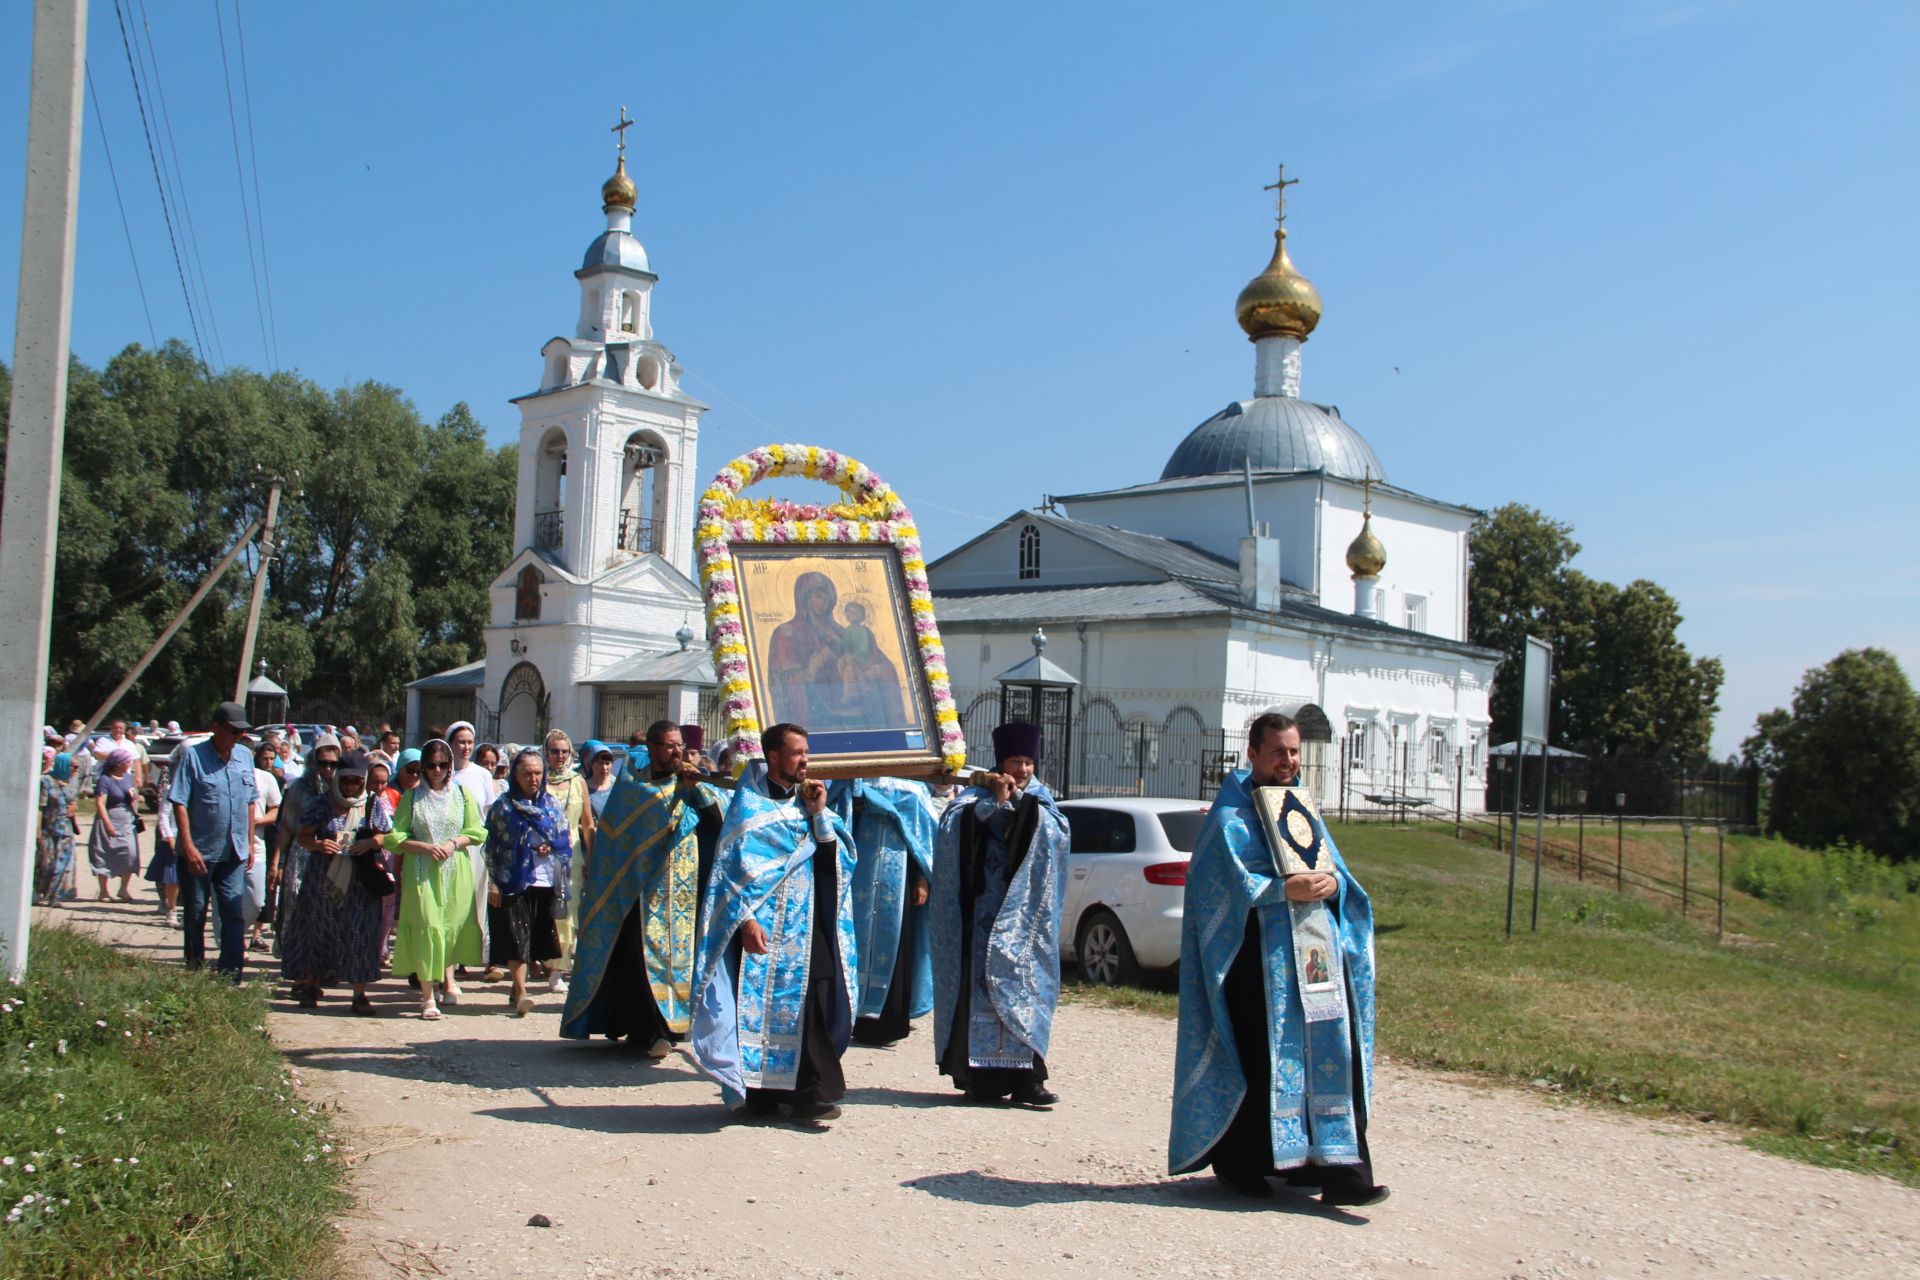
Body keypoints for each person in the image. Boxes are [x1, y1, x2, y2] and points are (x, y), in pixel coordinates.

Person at [1168, 712, 1387, 1207]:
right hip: (1256, 964)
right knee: (1263, 1061)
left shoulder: (1302, 806)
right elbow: (1212, 887)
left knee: (1335, 1051)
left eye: (1293, 751)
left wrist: (1334, 885)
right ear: (1253, 754)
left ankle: (1341, 1171)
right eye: (1278, 752)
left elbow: (1332, 868)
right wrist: (1278, 890)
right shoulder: (1230, 818)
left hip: (1316, 957)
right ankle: (1245, 1166)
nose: (1288, 761)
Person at [690, 723, 857, 1123]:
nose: (805, 761)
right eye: (797, 753)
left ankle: (807, 1094)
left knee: (810, 1005)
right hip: (761, 932)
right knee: (758, 1010)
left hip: (806, 925)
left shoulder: (810, 802)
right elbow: (727, 872)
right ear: (774, 757)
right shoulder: (748, 808)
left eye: (806, 752)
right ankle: (761, 1095)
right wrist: (745, 921)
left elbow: (836, 862)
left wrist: (818, 814)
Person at [562, 721, 724, 1056]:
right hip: (637, 889)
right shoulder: (634, 785)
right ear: (651, 748)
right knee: (642, 958)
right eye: (668, 746)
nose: (677, 752)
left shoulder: (692, 783)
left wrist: (697, 790)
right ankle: (647, 1029)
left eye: (679, 745)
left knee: (677, 958)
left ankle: (670, 1026)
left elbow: (716, 826)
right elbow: (636, 825)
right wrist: (679, 790)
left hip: (680, 891)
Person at [931, 722, 1069, 1107]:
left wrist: (1018, 806)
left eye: (1028, 762)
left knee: (1027, 989)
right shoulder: (974, 795)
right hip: (981, 918)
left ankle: (1028, 1080)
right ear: (1000, 761)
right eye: (1015, 761)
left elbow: (1056, 838)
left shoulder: (1042, 800)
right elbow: (952, 832)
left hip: (1025, 922)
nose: (1023, 769)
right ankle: (980, 1078)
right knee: (981, 990)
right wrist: (992, 804)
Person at [284, 749, 392, 1014]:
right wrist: (319, 844)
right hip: (323, 878)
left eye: (356, 781)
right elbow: (303, 835)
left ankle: (359, 994)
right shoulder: (321, 804)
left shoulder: (372, 804)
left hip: (360, 882)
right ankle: (311, 984)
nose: (350, 786)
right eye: (345, 781)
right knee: (317, 932)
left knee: (361, 934)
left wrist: (369, 842)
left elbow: (386, 835)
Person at [386, 738, 486, 1019]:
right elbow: (396, 837)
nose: (438, 770)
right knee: (426, 925)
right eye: (431, 765)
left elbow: (477, 831)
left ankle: (449, 979)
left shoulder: (462, 794)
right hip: (422, 870)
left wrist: (454, 843)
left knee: (450, 925)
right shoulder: (412, 796)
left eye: (443, 764)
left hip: (455, 868)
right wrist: (425, 847)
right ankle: (427, 995)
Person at [837, 775, 939, 1047]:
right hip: (858, 876)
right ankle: (848, 1017)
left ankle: (887, 1023)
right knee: (852, 944)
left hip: (899, 882)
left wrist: (921, 879)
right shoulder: (851, 783)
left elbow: (924, 840)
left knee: (896, 946)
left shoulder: (913, 790)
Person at [170, 703, 259, 976]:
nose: (237, 737)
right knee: (196, 912)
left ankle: (231, 972)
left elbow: (251, 802)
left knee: (234, 911)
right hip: (200, 850)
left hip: (234, 850)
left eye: (241, 733)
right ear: (216, 727)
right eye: (232, 731)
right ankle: (194, 969)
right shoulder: (192, 756)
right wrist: (187, 844)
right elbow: (179, 801)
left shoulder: (244, 756)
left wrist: (251, 842)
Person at [484, 748, 572, 1016]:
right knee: (515, 934)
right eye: (527, 773)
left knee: (533, 935)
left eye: (537, 773)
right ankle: (521, 990)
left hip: (544, 880)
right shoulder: (504, 807)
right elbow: (493, 847)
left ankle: (517, 987)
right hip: (511, 879)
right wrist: (494, 882)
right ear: (515, 775)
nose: (533, 779)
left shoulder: (552, 805)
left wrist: (550, 846)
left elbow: (564, 840)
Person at [268, 734, 341, 960]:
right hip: (302, 855)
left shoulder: (345, 788)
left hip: (333, 857)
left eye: (333, 764)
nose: (328, 769)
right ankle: (294, 959)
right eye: (323, 763)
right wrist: (277, 863)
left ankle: (324, 961)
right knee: (296, 905)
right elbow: (287, 828)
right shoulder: (299, 788)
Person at [541, 730, 595, 995]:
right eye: (554, 751)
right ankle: (541, 958)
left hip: (570, 853)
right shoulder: (538, 779)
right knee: (542, 910)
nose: (560, 756)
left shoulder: (577, 781)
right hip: (540, 854)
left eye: (564, 751)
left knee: (567, 912)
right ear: (546, 752)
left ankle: (557, 970)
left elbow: (587, 823)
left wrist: (591, 857)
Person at [88, 747, 144, 902]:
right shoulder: (105, 780)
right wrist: (108, 825)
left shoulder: (128, 777)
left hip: (127, 820)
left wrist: (137, 798)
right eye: (127, 761)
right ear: (118, 764)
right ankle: (104, 891)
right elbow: (100, 804)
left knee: (130, 853)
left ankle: (123, 889)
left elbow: (132, 793)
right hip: (109, 819)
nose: (130, 763)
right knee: (103, 853)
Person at [246, 738, 283, 953]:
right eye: (265, 758)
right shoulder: (251, 776)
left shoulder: (273, 779)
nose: (268, 762)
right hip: (250, 836)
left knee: (264, 892)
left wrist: (259, 821)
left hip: (268, 835)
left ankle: (257, 933)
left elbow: (277, 808)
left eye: (272, 758)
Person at [35, 752, 79, 908]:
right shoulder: (46, 781)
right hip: (49, 829)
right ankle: (41, 893)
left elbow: (74, 802)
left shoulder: (71, 782)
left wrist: (74, 808)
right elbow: (40, 807)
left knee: (63, 863)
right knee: (47, 864)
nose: (76, 771)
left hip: (66, 830)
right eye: (74, 767)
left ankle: (55, 896)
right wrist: (38, 830)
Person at [581, 741, 618, 820]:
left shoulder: (617, 784)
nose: (604, 768)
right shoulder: (583, 787)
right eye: (600, 763)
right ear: (591, 764)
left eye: (607, 763)